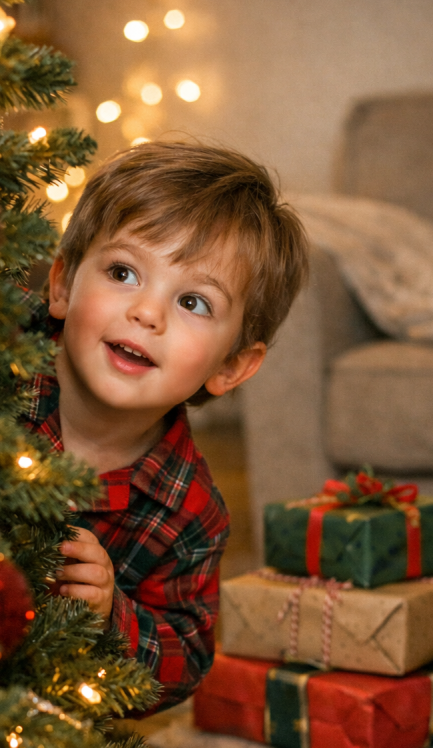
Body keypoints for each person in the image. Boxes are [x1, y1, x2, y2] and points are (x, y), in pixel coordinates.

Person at [23, 141, 308, 713]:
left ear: (232, 366)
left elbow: (182, 662)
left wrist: (111, 614)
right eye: (123, 272)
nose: (147, 313)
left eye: (194, 303)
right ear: (61, 285)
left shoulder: (190, 513)